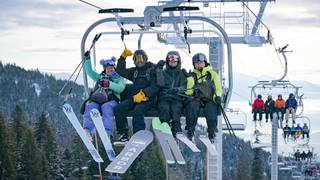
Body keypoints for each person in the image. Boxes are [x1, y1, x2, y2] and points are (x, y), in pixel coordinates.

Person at [113, 49, 159, 145]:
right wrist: (122, 58)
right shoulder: (135, 72)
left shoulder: (152, 70)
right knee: (119, 108)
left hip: (148, 99)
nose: (139, 61)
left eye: (141, 58)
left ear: (145, 59)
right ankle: (123, 134)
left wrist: (145, 94)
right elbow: (121, 71)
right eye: (136, 59)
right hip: (134, 98)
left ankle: (138, 135)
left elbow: (156, 86)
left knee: (137, 111)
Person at [82, 51, 125, 141]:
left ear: (114, 68)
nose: (110, 70)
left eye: (111, 68)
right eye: (107, 68)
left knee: (107, 108)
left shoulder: (118, 78)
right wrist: (87, 59)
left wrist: (109, 84)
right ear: (104, 69)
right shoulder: (100, 77)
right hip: (98, 99)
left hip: (111, 100)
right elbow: (90, 72)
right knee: (91, 107)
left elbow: (120, 88)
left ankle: (107, 132)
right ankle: (88, 130)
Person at [185, 53, 222, 142]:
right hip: (197, 99)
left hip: (209, 99)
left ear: (205, 63)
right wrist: (189, 79)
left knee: (211, 108)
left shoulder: (212, 74)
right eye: (197, 63)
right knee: (192, 107)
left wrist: (217, 96)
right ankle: (190, 132)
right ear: (194, 64)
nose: (199, 65)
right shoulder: (192, 75)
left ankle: (211, 132)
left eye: (201, 62)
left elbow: (218, 88)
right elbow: (189, 92)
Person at [156, 51, 187, 137]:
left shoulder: (181, 74)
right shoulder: (163, 72)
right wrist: (158, 70)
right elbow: (160, 83)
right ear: (167, 61)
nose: (173, 62)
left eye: (175, 61)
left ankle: (176, 129)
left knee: (176, 108)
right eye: (170, 61)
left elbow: (184, 86)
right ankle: (165, 127)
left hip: (176, 97)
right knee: (164, 108)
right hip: (164, 97)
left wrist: (177, 90)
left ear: (178, 62)